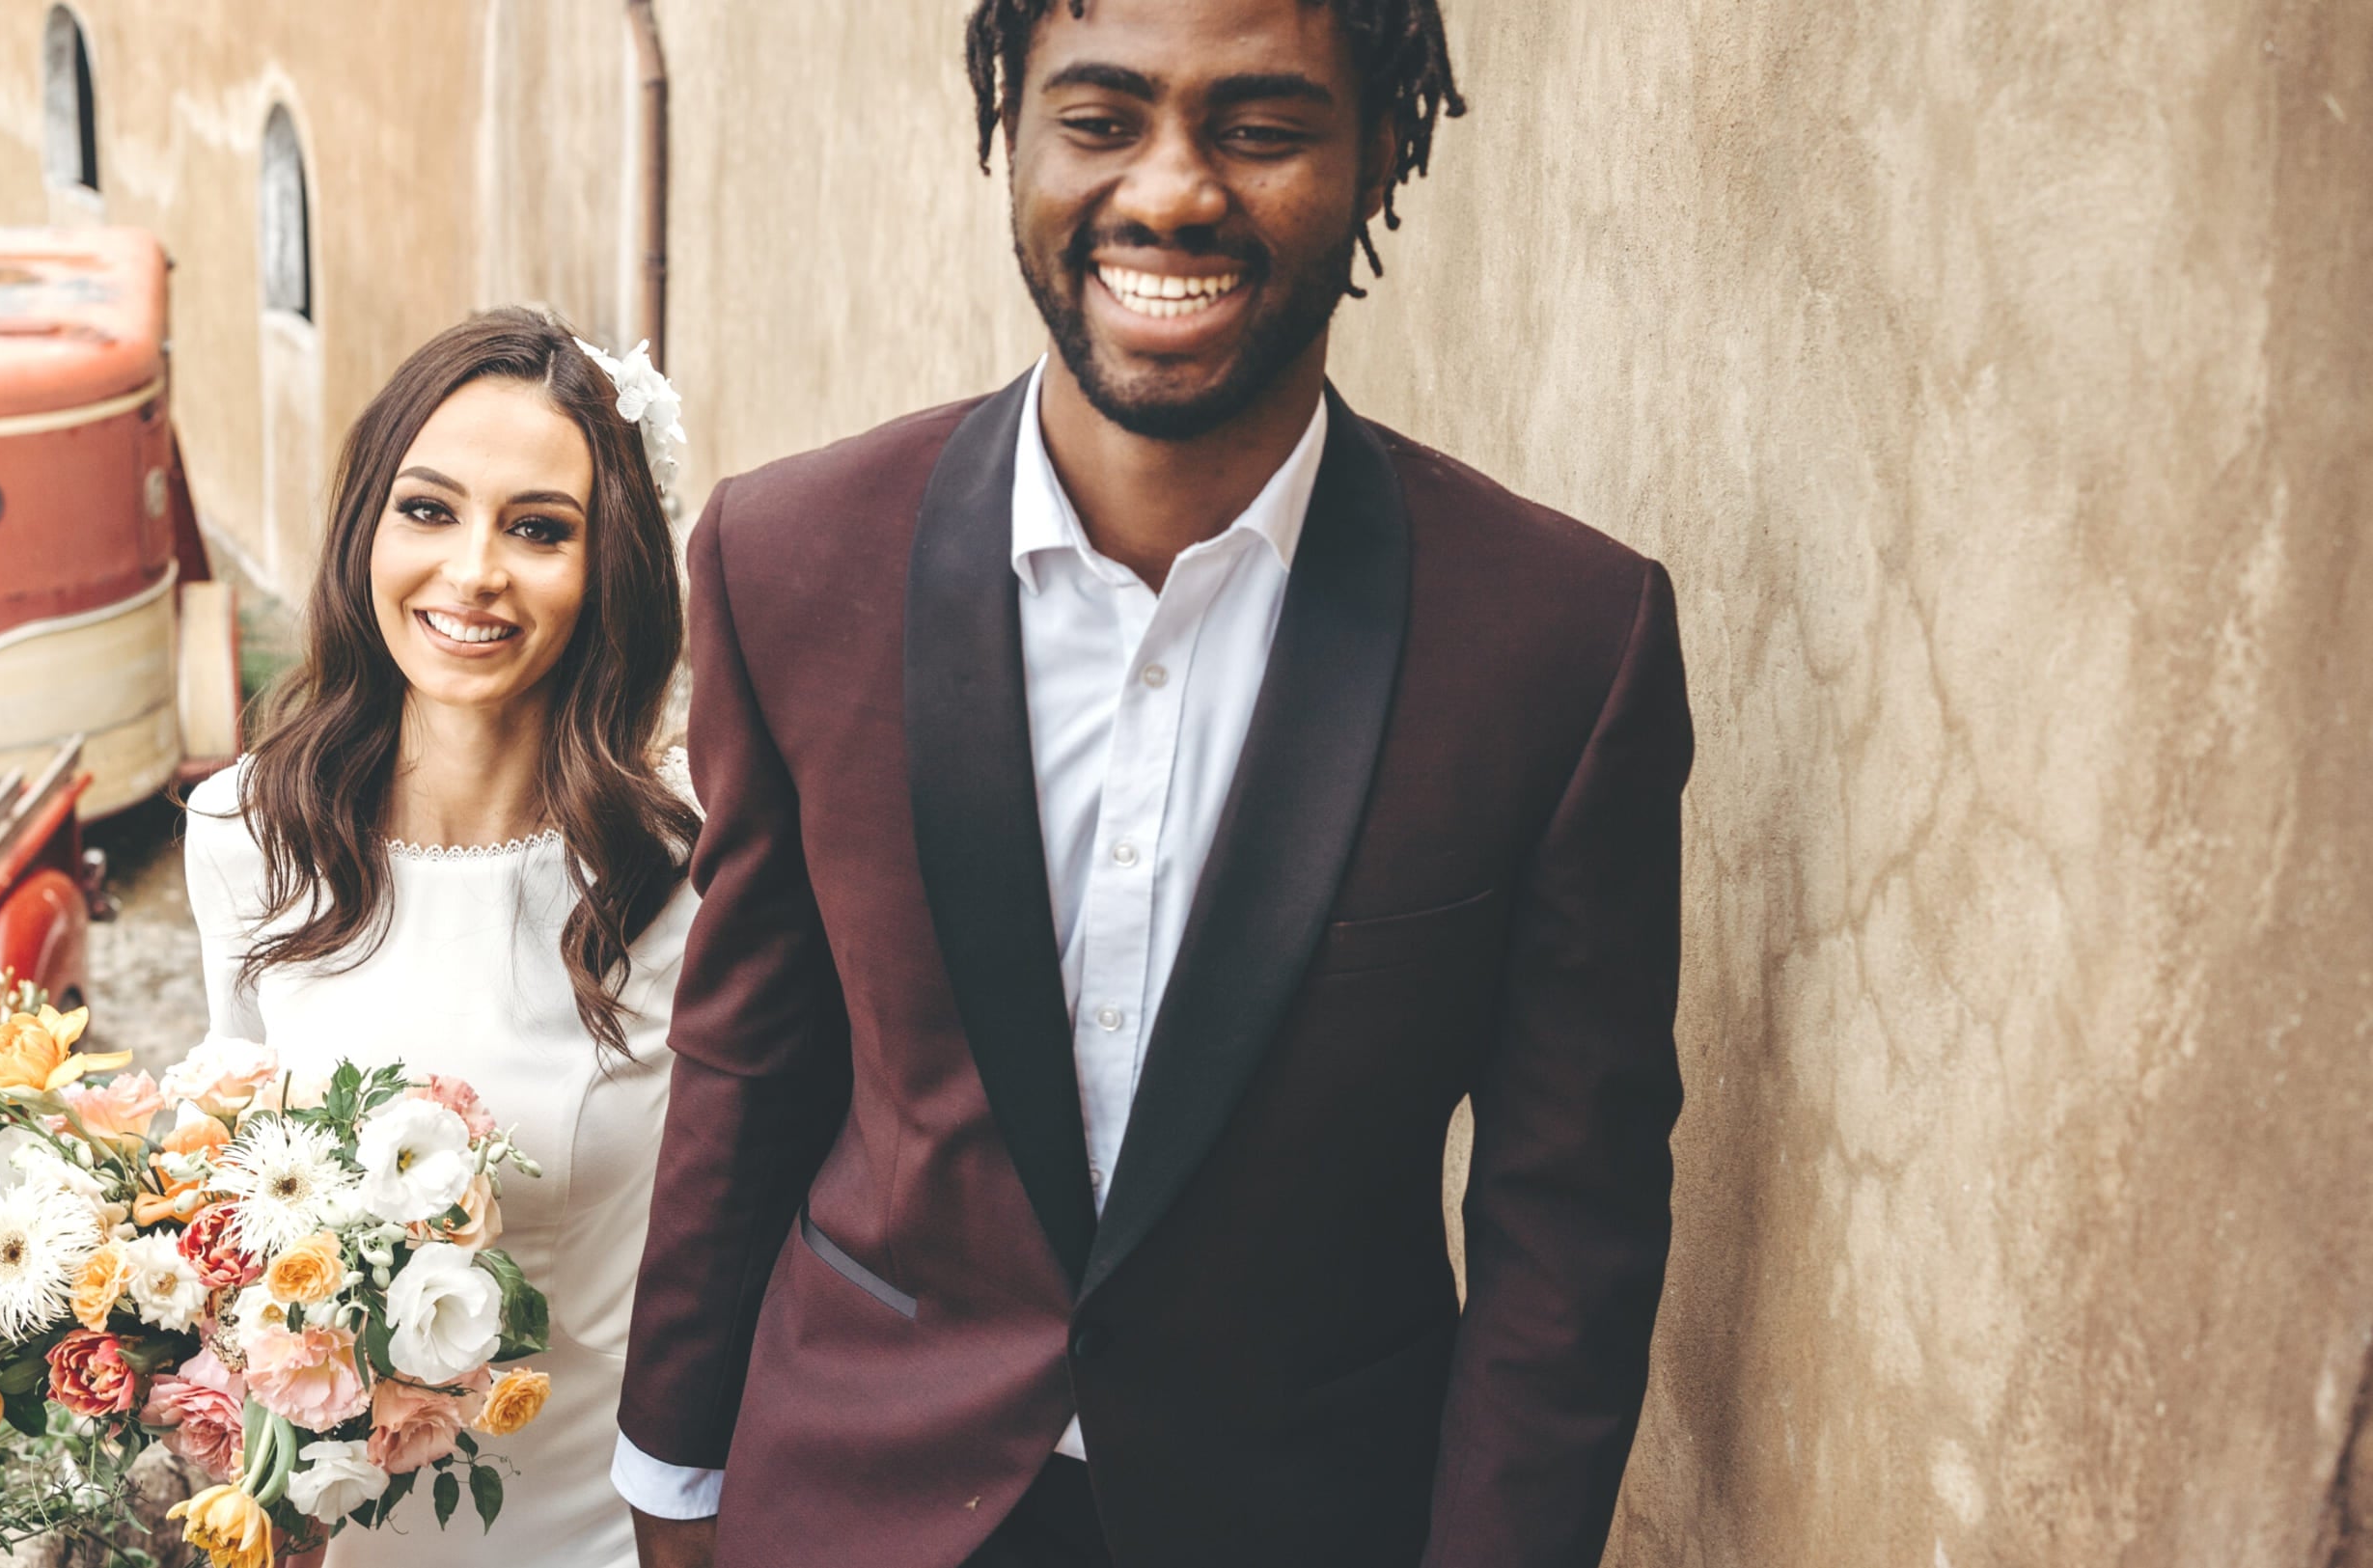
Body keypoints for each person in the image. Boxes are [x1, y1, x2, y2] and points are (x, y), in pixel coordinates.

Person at [614, 0, 1691, 1564]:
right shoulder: (791, 559)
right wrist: (675, 1471)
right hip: (853, 1490)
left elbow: (1568, 1220)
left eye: (1259, 128)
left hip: (1311, 1512)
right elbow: (748, 1058)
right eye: (1102, 118)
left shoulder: (1561, 643)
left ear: (1386, 147)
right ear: (1010, 136)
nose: (1172, 191)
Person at [184, 308, 699, 1568]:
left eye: (538, 527)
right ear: (368, 526)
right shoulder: (244, 837)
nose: (474, 570)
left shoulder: (689, 872)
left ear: (607, 567)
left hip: (596, 1538)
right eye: (428, 509)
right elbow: (228, 1214)